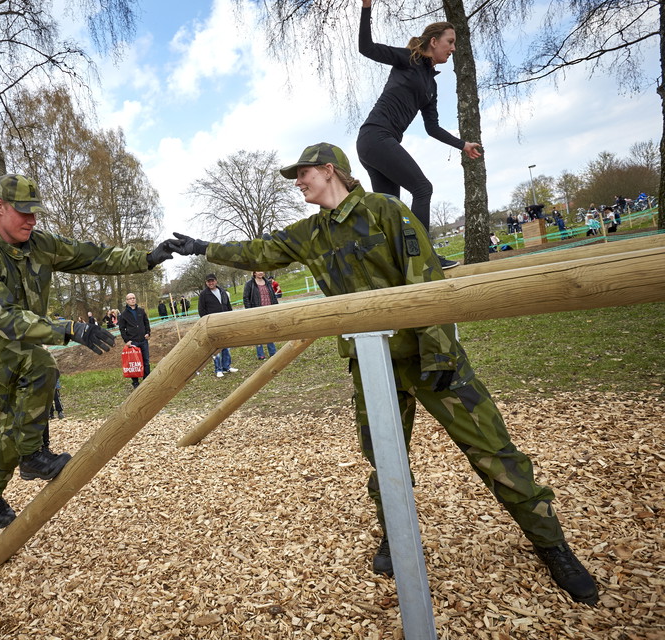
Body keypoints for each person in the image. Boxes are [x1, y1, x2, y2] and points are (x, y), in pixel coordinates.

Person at [168, 142, 598, 605]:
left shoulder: (384, 211)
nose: (298, 182)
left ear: (330, 170)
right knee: (385, 459)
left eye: (304, 173)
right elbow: (261, 249)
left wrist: (439, 354)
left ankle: (551, 545)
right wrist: (201, 247)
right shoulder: (312, 233)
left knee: (493, 451)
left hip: (431, 358)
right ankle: (396, 533)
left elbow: (427, 279)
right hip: (373, 367)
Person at [0, 173, 175, 528]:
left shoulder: (40, 244)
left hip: (21, 335)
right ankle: (33, 457)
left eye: (36, 212)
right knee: (40, 366)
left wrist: (146, 258)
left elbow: (92, 256)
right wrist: (69, 328)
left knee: (16, 421)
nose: (32, 220)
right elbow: (5, 319)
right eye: (24, 212)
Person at [355, 0, 482, 270]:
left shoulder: (431, 86)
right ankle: (425, 256)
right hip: (375, 137)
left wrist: (463, 144)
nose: (453, 48)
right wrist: (366, 8)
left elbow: (431, 128)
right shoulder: (407, 59)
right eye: (450, 41)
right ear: (434, 41)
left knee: (390, 210)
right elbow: (365, 48)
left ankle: (393, 264)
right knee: (422, 188)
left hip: (376, 143)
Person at [198, 274, 238, 378]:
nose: (211, 283)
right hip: (213, 324)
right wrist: (206, 323)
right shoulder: (204, 294)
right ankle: (218, 369)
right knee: (216, 348)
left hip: (224, 321)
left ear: (216, 281)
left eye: (212, 281)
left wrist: (230, 317)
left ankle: (227, 366)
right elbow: (201, 310)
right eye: (208, 281)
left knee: (226, 346)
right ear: (206, 283)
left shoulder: (222, 291)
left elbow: (228, 305)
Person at [243, 271, 279, 359]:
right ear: (254, 273)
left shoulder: (267, 282)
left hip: (269, 310)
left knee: (269, 331)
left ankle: (272, 352)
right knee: (259, 333)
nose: (261, 273)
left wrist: (276, 307)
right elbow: (246, 297)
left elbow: (272, 295)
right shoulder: (249, 284)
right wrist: (249, 311)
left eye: (262, 271)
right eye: (258, 271)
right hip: (257, 311)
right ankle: (261, 354)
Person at [118, 292, 151, 389]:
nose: (132, 300)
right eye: (130, 298)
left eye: (133, 298)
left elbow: (146, 322)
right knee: (134, 362)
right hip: (133, 341)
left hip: (143, 340)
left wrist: (148, 333)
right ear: (127, 301)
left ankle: (147, 379)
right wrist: (127, 340)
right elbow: (122, 329)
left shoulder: (141, 311)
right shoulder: (123, 315)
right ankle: (135, 382)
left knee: (146, 360)